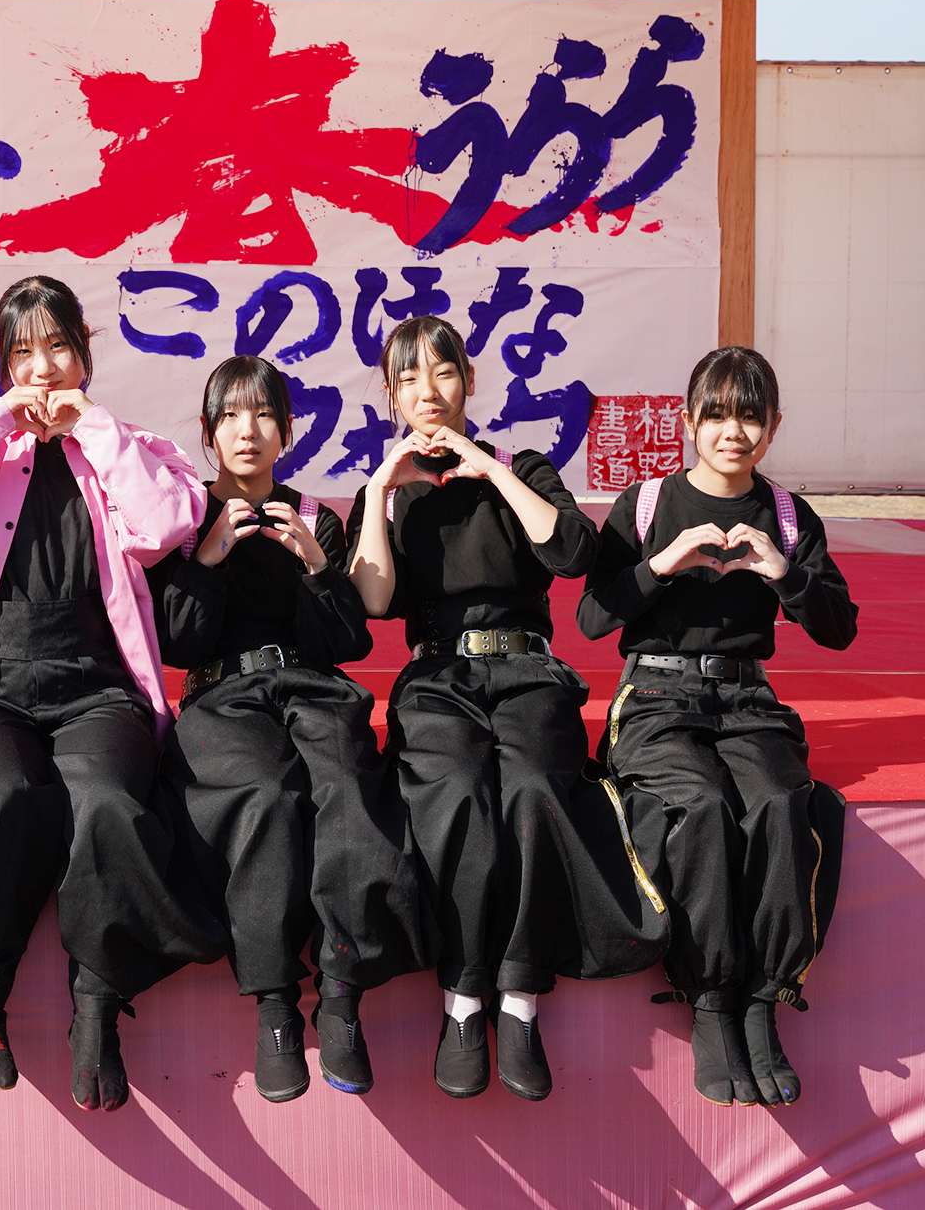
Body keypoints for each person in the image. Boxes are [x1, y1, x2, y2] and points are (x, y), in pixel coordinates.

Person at [0, 275, 224, 1112]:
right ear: (4, 365)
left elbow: (167, 523)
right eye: (23, 354)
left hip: (97, 688)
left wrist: (91, 424)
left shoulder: (126, 446)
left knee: (105, 801)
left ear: (83, 354)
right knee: (1, 793)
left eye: (57, 348)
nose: (42, 369)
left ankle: (97, 1000)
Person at [346, 314, 661, 1102]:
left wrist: (488, 467)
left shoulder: (521, 466)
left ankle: (518, 997)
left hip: (527, 670)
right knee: (455, 792)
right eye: (408, 379)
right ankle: (463, 998)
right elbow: (373, 601)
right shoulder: (391, 490)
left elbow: (573, 551)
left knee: (531, 791)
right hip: (437, 677)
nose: (428, 391)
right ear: (391, 395)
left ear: (469, 381)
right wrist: (380, 489)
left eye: (443, 372)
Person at [150, 356, 435, 1102]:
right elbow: (175, 641)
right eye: (231, 417)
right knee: (268, 796)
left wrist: (314, 563)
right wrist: (208, 557)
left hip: (311, 685)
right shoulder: (182, 517)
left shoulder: (316, 518)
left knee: (345, 785)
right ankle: (275, 1002)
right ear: (209, 432)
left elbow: (348, 641)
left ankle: (341, 992)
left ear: (287, 430)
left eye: (263, 415)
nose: (248, 431)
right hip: (220, 697)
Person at [578, 346, 854, 1107]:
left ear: (773, 427)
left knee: (779, 804)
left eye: (751, 417)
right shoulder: (645, 503)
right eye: (719, 415)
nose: (734, 432)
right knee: (699, 806)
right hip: (656, 694)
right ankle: (709, 999)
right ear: (689, 420)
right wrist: (661, 564)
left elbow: (840, 629)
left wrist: (783, 572)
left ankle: (762, 1000)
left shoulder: (789, 516)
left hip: (746, 699)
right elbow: (592, 616)